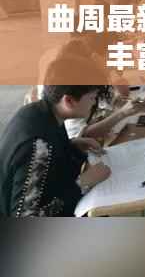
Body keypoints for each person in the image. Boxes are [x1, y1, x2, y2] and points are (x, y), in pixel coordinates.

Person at [0, 58, 113, 216]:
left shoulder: (40, 111)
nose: (94, 103)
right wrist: (83, 183)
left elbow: (50, 160)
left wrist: (73, 146)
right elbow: (26, 216)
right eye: (92, 98)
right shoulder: (38, 146)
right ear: (69, 100)